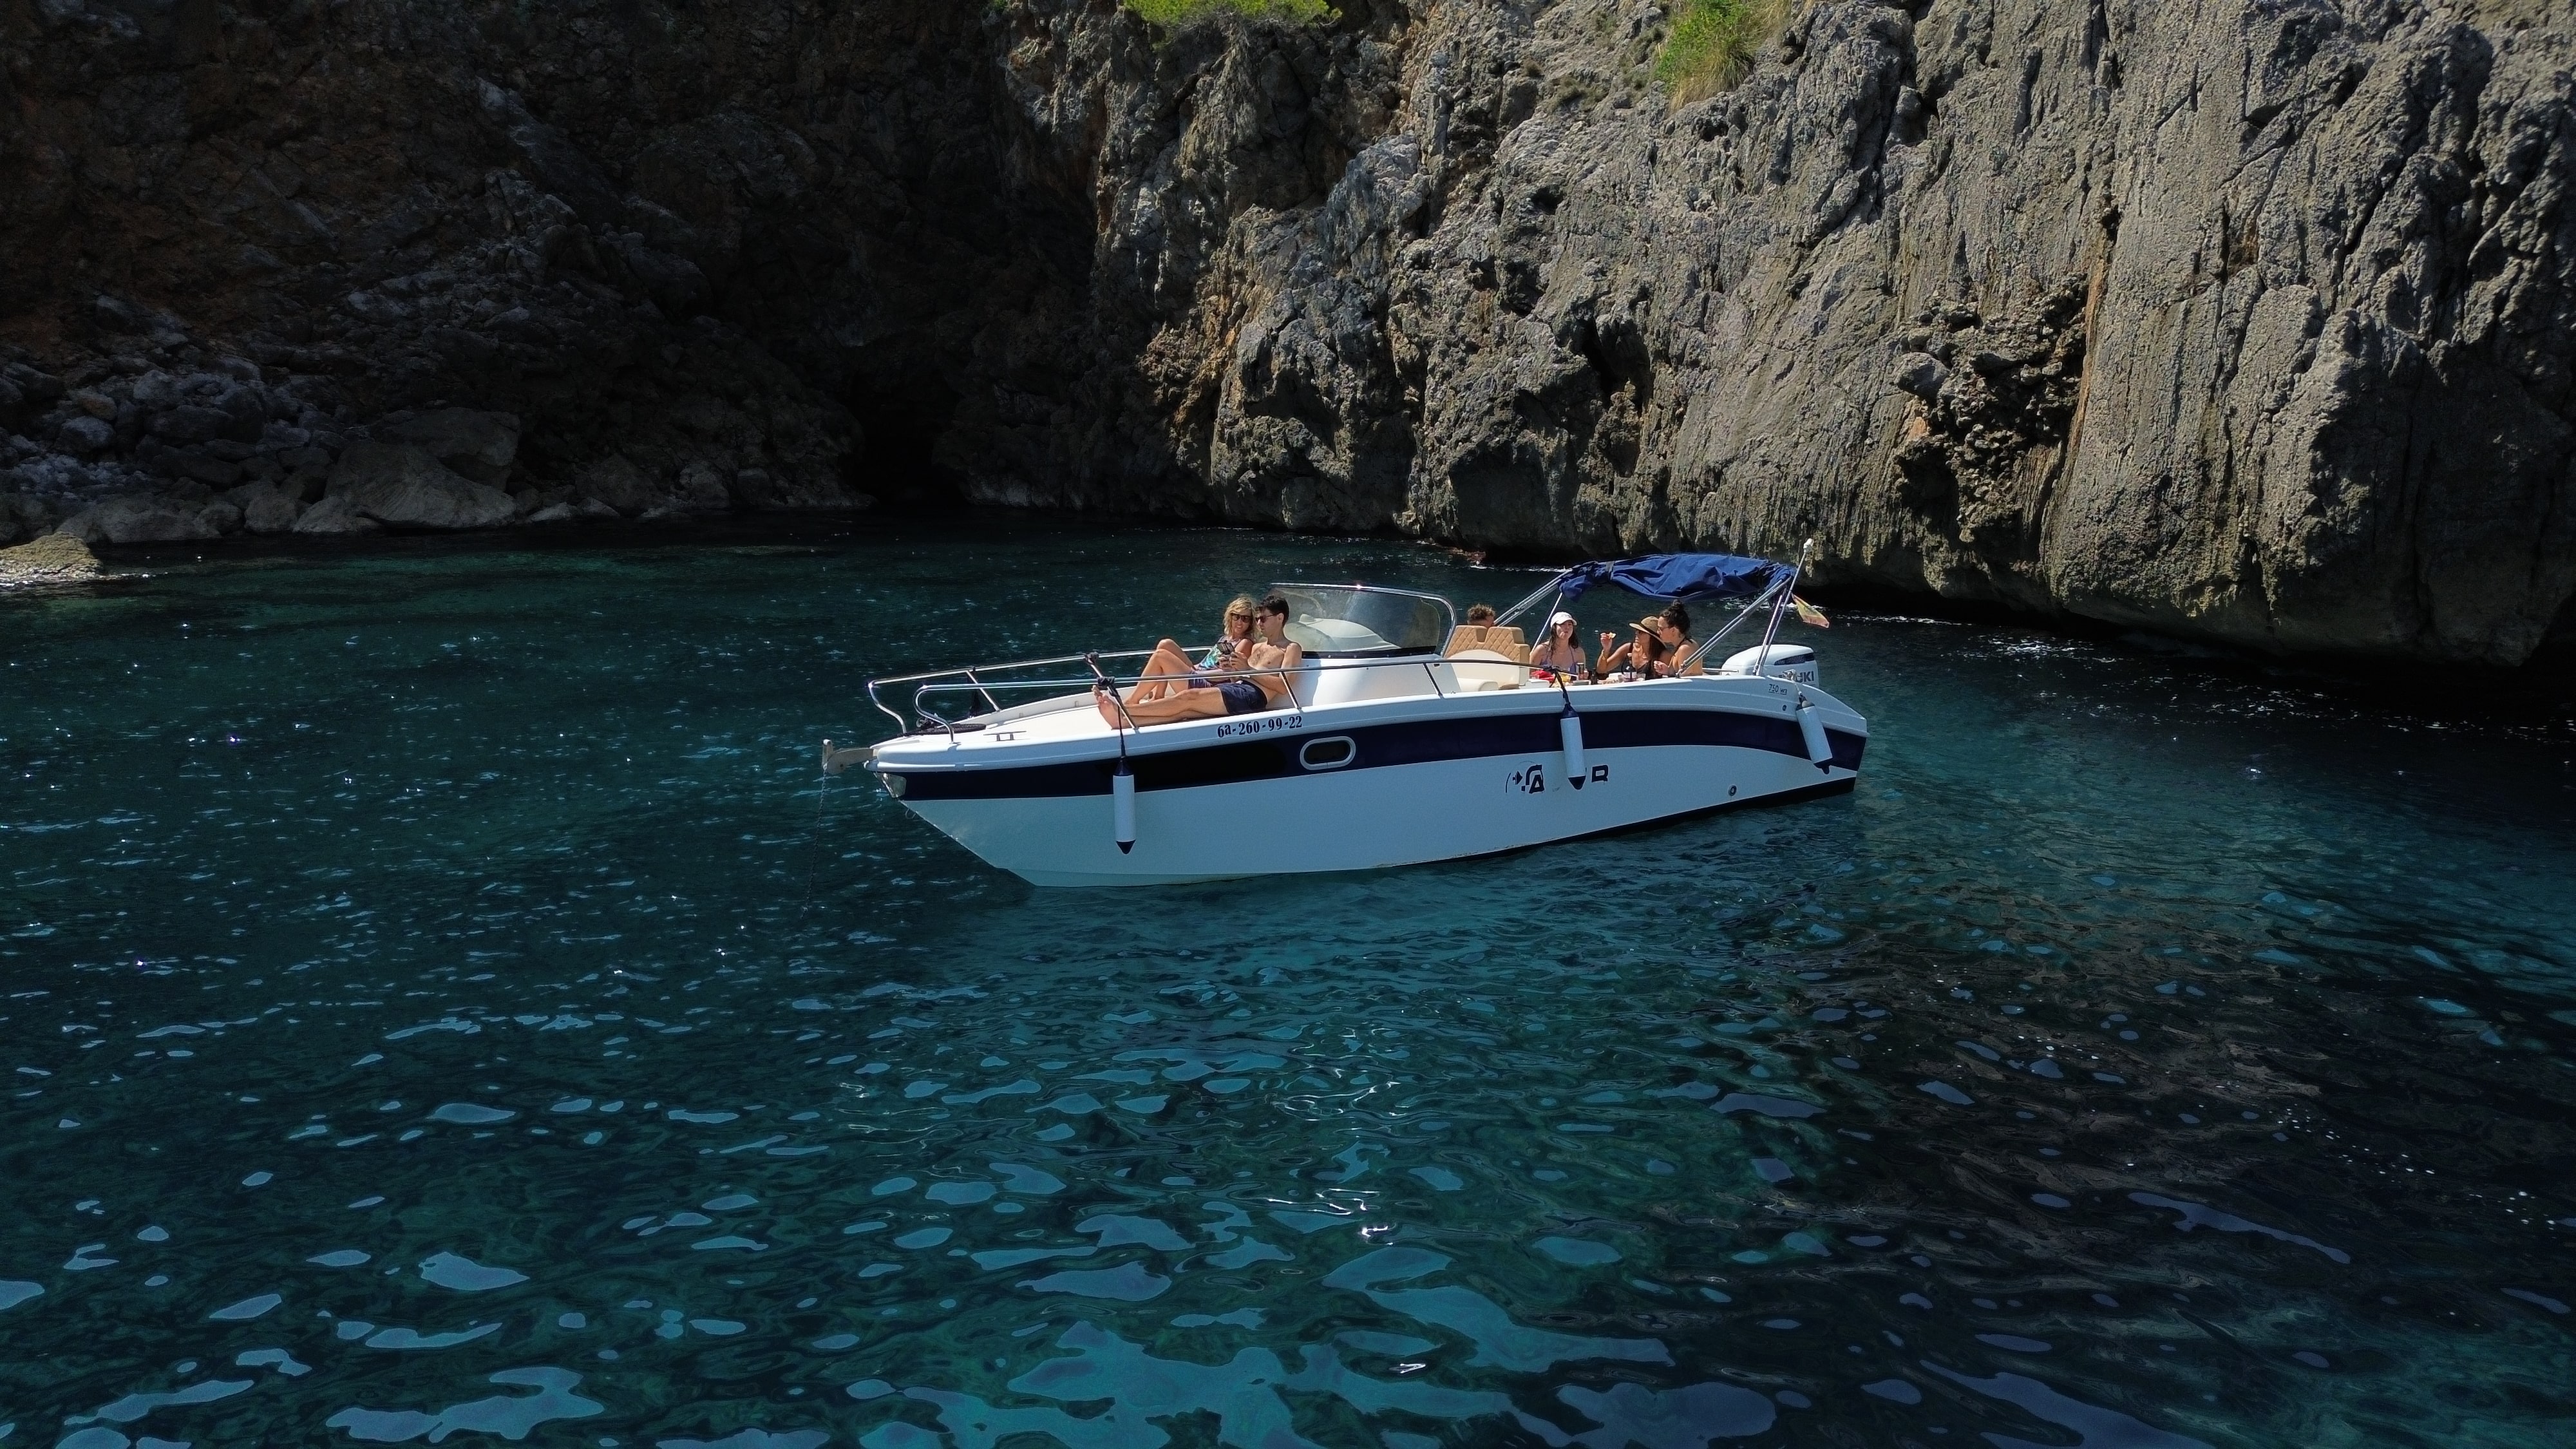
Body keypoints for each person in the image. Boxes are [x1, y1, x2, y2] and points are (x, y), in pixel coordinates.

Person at [1098, 594, 1305, 726]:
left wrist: (1247, 669)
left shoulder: (1291, 648)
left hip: (1252, 697)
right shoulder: (1259, 647)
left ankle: (1124, 710)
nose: (1258, 623)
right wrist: (1232, 669)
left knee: (1189, 698)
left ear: (1280, 618)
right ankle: (1125, 723)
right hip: (1238, 688)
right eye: (1258, 619)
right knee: (1187, 711)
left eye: (1263, 618)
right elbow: (1238, 677)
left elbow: (1284, 686)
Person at [1122, 595, 1258, 706]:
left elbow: (1228, 674)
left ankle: (1132, 701)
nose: (1240, 622)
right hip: (1200, 674)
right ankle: (1158, 696)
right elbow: (1207, 663)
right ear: (1231, 616)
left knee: (1160, 656)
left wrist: (1197, 674)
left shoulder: (1245, 643)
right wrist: (1196, 669)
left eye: (1245, 619)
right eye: (1237, 616)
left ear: (1251, 622)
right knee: (1166, 644)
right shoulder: (1225, 639)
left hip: (1207, 686)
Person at [1598, 603, 1705, 679]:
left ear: (1673, 630)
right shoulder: (1685, 645)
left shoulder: (1684, 649)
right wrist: (1667, 671)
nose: (1658, 632)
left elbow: (1684, 684)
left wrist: (1669, 672)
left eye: (1661, 629)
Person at [1527, 611, 1589, 678]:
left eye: (1570, 624)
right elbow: (1530, 676)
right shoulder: (1541, 651)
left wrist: (1584, 675)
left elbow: (1581, 680)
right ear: (1554, 628)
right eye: (1562, 624)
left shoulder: (1578, 653)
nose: (1567, 627)